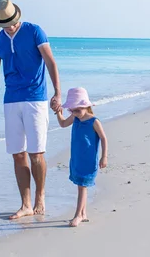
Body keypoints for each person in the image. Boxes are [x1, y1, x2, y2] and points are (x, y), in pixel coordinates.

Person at [0, 0, 62, 219]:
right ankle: (25, 204)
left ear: (17, 17)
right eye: (4, 23)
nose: (9, 26)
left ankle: (40, 197)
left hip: (35, 99)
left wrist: (57, 92)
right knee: (18, 154)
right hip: (11, 100)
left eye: (11, 22)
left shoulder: (35, 31)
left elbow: (50, 62)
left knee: (36, 153)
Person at [55, 87, 108, 227]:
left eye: (78, 110)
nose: (75, 113)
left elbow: (103, 138)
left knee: (82, 187)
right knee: (80, 185)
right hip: (77, 158)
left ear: (86, 106)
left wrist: (104, 157)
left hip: (88, 160)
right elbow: (62, 124)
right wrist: (58, 113)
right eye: (72, 110)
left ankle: (78, 215)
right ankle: (83, 213)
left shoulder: (94, 121)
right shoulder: (75, 118)